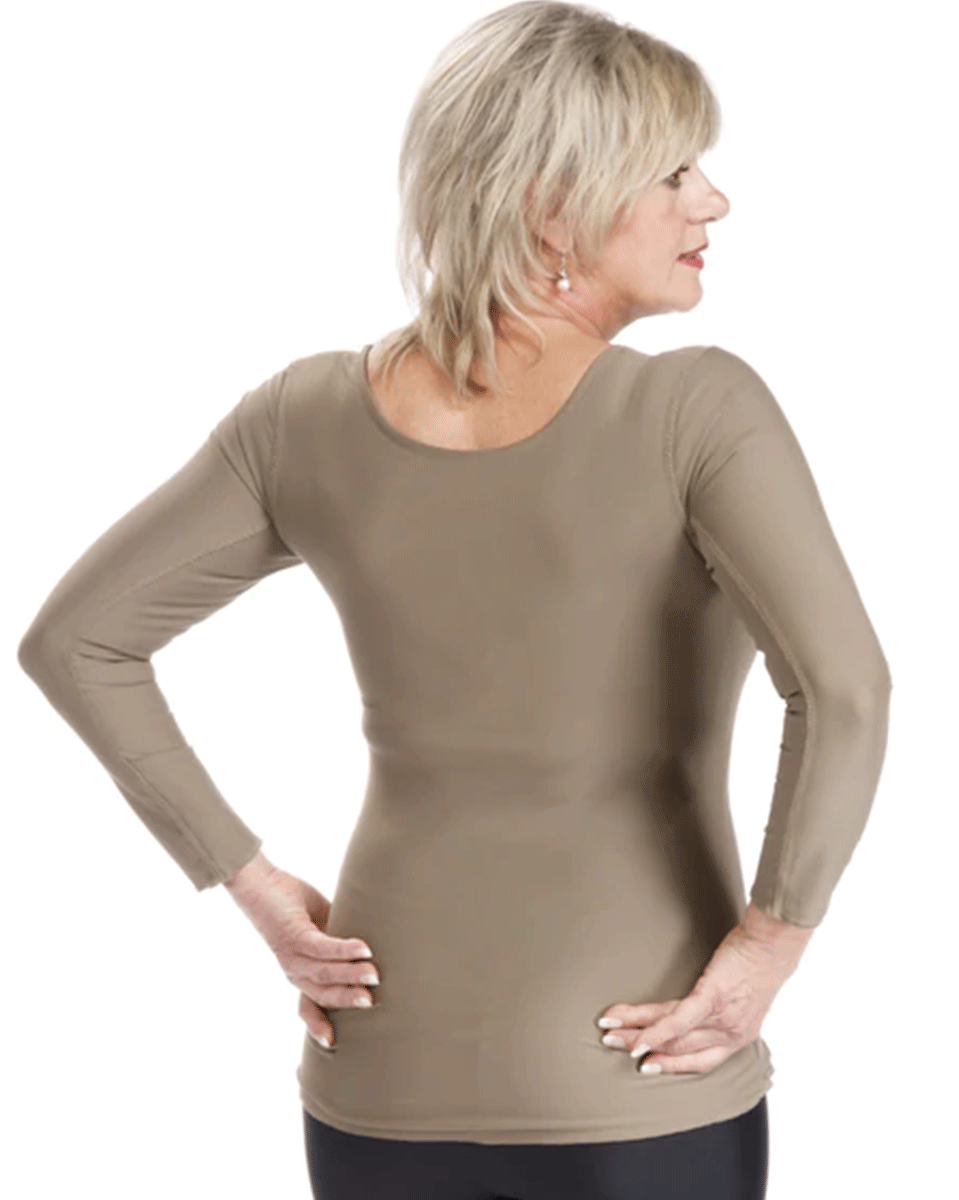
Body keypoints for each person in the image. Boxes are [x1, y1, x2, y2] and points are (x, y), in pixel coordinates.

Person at [16, 2, 892, 1198]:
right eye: (673, 173)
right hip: (638, 1067)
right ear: (552, 206)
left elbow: (76, 641)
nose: (713, 202)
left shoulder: (305, 417)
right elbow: (843, 689)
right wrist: (768, 944)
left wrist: (249, 882)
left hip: (378, 1063)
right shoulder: (693, 410)